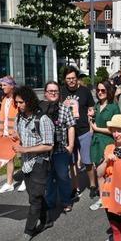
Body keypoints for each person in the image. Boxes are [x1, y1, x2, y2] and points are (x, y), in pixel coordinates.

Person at [12, 86, 55, 241]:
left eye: (21, 102)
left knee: (35, 198)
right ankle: (47, 219)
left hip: (39, 163)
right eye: (16, 103)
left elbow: (48, 145)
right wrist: (16, 135)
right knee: (34, 195)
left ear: (29, 101)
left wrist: (25, 149)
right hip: (26, 164)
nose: (19, 105)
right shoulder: (20, 117)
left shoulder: (42, 119)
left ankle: (28, 231)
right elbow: (20, 135)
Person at [62, 66, 98, 199]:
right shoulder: (62, 92)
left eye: (73, 78)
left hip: (83, 130)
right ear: (65, 80)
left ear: (77, 78)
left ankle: (93, 185)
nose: (71, 81)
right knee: (72, 162)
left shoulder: (85, 91)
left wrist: (91, 121)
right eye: (68, 79)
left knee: (87, 161)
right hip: (67, 132)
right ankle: (75, 187)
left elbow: (91, 107)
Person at [42, 81, 76, 214]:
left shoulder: (65, 109)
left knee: (63, 176)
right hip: (44, 151)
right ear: (45, 93)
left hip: (61, 150)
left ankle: (66, 201)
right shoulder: (41, 109)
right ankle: (50, 202)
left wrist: (71, 145)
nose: (53, 93)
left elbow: (71, 127)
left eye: (56, 91)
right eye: (50, 91)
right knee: (48, 177)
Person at [89, 81, 120, 211]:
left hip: (108, 142)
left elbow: (116, 129)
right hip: (96, 142)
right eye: (98, 90)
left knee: (104, 172)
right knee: (99, 171)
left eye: (103, 91)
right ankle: (104, 197)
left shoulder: (113, 107)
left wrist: (97, 128)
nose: (100, 93)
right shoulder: (96, 106)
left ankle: (106, 197)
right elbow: (92, 126)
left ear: (108, 91)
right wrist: (90, 119)